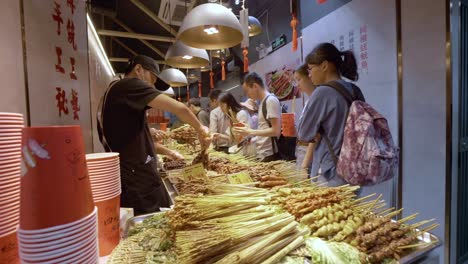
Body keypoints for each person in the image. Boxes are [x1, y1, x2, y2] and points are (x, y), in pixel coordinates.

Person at [98, 55, 211, 215]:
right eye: (151, 79)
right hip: (136, 178)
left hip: (131, 174)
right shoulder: (130, 85)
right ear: (138, 70)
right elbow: (181, 109)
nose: (152, 86)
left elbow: (131, 139)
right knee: (150, 221)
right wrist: (201, 130)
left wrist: (166, 150)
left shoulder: (117, 92)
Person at [297, 43, 364, 186]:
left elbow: (304, 133)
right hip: (355, 167)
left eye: (310, 69)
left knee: (328, 208)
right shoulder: (354, 89)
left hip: (331, 172)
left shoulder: (322, 92)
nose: (309, 74)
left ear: (324, 66)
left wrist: (316, 131)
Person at [233, 72, 282, 162]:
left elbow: (276, 131)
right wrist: (252, 136)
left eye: (247, 91)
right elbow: (265, 128)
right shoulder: (263, 101)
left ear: (255, 86)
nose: (247, 95)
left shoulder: (270, 100)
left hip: (269, 154)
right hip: (263, 153)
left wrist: (252, 131)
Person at [293, 64, 317, 174]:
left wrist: (304, 164)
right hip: (301, 150)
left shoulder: (317, 101)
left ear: (310, 76)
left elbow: (315, 136)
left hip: (310, 154)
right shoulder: (309, 101)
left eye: (299, 79)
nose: (297, 84)